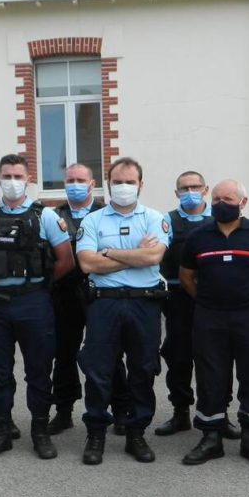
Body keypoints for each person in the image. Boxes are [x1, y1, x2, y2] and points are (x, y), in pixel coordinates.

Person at [0, 154, 74, 460]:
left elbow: (66, 261)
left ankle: (39, 431)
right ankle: (2, 431)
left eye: (17, 176)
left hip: (33, 305)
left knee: (39, 371)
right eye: (6, 175)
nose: (12, 181)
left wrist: (37, 287)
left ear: (28, 180)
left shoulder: (46, 217)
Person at [179, 180, 249, 466]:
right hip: (209, 316)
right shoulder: (198, 236)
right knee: (210, 375)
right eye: (216, 199)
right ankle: (211, 438)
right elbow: (186, 276)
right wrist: (207, 300)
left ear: (242, 203)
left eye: (227, 199)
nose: (220, 204)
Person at [76, 157, 168, 465]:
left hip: (144, 303)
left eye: (130, 182)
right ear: (108, 184)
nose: (124, 187)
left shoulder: (155, 218)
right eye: (118, 182)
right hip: (104, 303)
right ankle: (96, 434)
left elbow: (154, 257)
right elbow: (88, 263)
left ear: (141, 185)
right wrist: (135, 254)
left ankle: (136, 433)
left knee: (143, 369)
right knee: (99, 370)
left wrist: (110, 252)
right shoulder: (93, 220)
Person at [48, 163, 132, 436]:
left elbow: (119, 251)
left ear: (92, 183)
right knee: (63, 354)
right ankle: (63, 411)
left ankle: (120, 411)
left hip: (100, 293)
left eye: (80, 179)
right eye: (70, 179)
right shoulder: (52, 215)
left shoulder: (105, 213)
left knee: (110, 355)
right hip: (63, 295)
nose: (75, 184)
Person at [155, 171, 223, 438]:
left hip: (214, 301)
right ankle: (181, 412)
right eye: (184, 188)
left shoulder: (220, 218)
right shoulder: (166, 221)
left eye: (195, 186)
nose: (190, 191)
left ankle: (218, 413)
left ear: (205, 190)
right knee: (179, 357)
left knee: (215, 358)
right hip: (178, 299)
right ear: (176, 193)